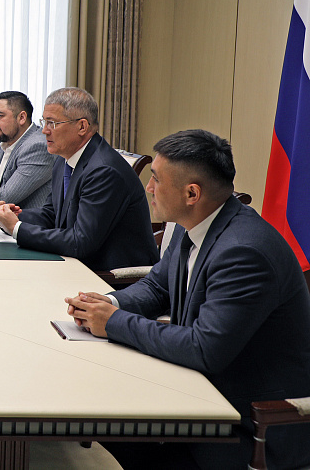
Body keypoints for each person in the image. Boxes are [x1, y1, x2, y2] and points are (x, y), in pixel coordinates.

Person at [65, 129, 310, 470]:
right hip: (198, 393)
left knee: (108, 422)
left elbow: (203, 348)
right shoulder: (194, 223)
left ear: (192, 193)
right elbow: (157, 288)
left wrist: (114, 322)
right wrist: (107, 304)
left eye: (156, 179)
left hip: (247, 425)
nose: (148, 188)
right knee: (96, 411)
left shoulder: (244, 251)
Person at [0, 87, 156, 271]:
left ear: (82, 126)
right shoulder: (64, 159)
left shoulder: (104, 170)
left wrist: (17, 228)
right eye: (44, 122)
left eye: (52, 123)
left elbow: (80, 242)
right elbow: (52, 214)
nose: (44, 131)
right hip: (76, 263)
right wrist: (12, 217)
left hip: (110, 275)